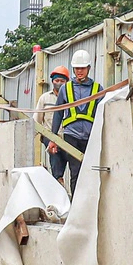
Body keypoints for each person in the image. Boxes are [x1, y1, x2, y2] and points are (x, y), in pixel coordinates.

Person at [49, 49, 102, 192]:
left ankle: (88, 205)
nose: (80, 71)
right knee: (75, 171)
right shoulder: (65, 88)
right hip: (71, 136)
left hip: (90, 137)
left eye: (83, 68)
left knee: (91, 171)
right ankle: (75, 207)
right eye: (77, 68)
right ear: (73, 69)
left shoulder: (98, 89)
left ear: (89, 68)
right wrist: (53, 138)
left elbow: (103, 115)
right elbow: (58, 113)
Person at [43, 63, 73, 186]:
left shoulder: (71, 97)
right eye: (56, 80)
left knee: (73, 163)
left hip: (67, 136)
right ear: (52, 81)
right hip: (50, 136)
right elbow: (37, 119)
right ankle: (58, 182)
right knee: (55, 159)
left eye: (62, 80)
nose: (59, 83)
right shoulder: (45, 98)